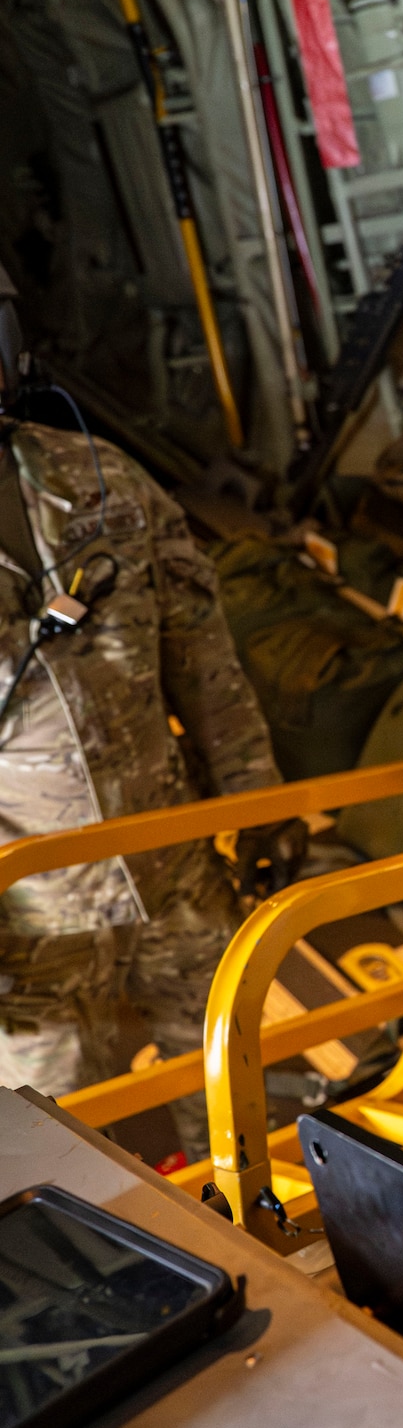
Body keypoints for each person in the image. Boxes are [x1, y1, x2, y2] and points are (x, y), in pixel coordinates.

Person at [0, 265, 300, 1157]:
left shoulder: (100, 482)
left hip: (177, 881)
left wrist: (259, 803)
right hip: (30, 931)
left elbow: (203, 662)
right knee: (50, 1168)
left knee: (253, 1120)